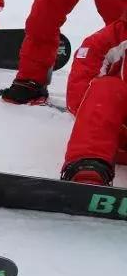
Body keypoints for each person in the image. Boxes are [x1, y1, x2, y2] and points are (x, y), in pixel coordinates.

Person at [59, 12, 127, 185]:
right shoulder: (115, 37)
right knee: (105, 87)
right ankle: (89, 164)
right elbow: (82, 88)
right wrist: (94, 113)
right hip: (117, 134)